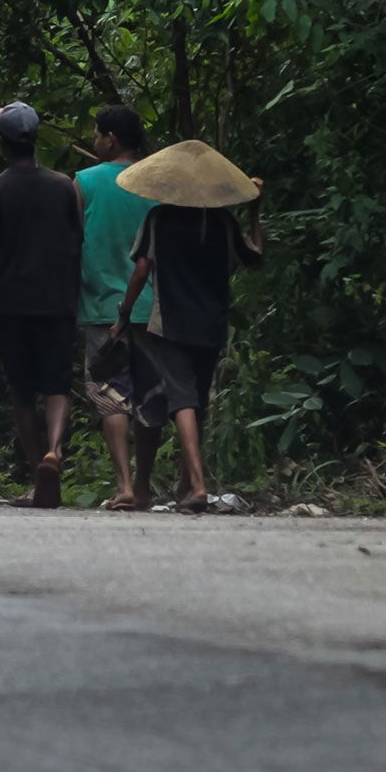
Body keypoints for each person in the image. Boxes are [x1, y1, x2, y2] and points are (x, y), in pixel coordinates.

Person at [106, 140, 265, 513]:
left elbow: (142, 270)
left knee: (181, 397)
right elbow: (256, 259)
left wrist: (124, 315)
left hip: (172, 321)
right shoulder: (224, 222)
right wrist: (255, 212)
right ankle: (186, 484)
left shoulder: (159, 219)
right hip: (212, 321)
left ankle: (196, 483)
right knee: (196, 400)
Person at [0, 101, 83, 509]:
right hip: (57, 300)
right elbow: (77, 243)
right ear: (35, 142)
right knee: (57, 383)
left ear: (2, 145)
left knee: (21, 390)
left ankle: (38, 471)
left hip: (11, 304)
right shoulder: (64, 186)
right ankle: (55, 450)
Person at [72, 102, 158, 510]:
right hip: (152, 307)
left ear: (110, 138)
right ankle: (142, 485)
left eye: (96, 133)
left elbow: (73, 242)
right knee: (148, 397)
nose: (93, 140)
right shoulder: (157, 183)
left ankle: (123, 484)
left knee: (111, 396)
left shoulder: (83, 182)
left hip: (102, 307)